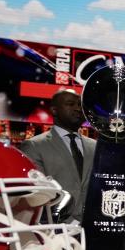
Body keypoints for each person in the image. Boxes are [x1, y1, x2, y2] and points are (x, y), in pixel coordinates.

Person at [18, 89, 97, 224]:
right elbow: (35, 192)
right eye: (70, 104)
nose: (78, 108)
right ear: (54, 110)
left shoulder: (96, 147)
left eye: (80, 104)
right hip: (52, 229)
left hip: (91, 230)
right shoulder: (34, 146)